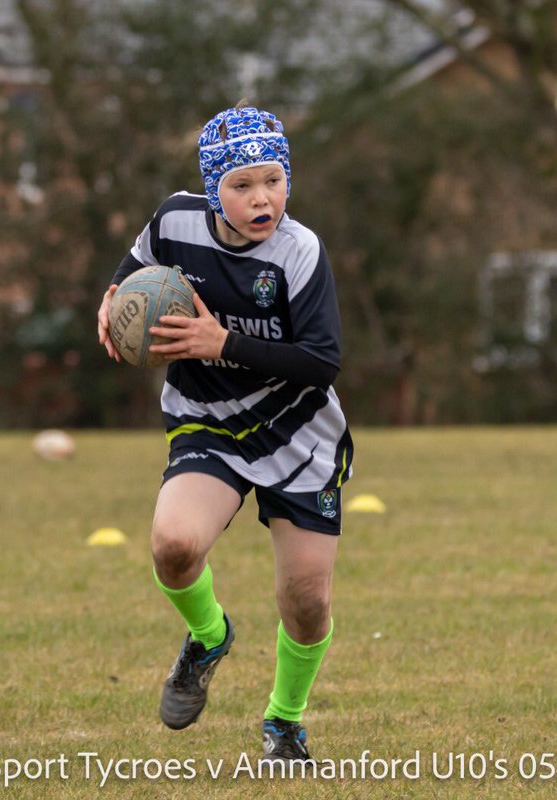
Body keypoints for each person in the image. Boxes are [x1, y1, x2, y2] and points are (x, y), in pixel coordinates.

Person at [96, 106, 354, 763]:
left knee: (307, 601)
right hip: (206, 417)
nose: (261, 197)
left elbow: (322, 361)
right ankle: (208, 637)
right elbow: (132, 273)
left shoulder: (300, 252)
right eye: (242, 185)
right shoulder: (175, 222)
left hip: (299, 431)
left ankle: (284, 722)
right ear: (214, 189)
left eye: (273, 180)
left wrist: (222, 341)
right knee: (174, 546)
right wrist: (112, 304)